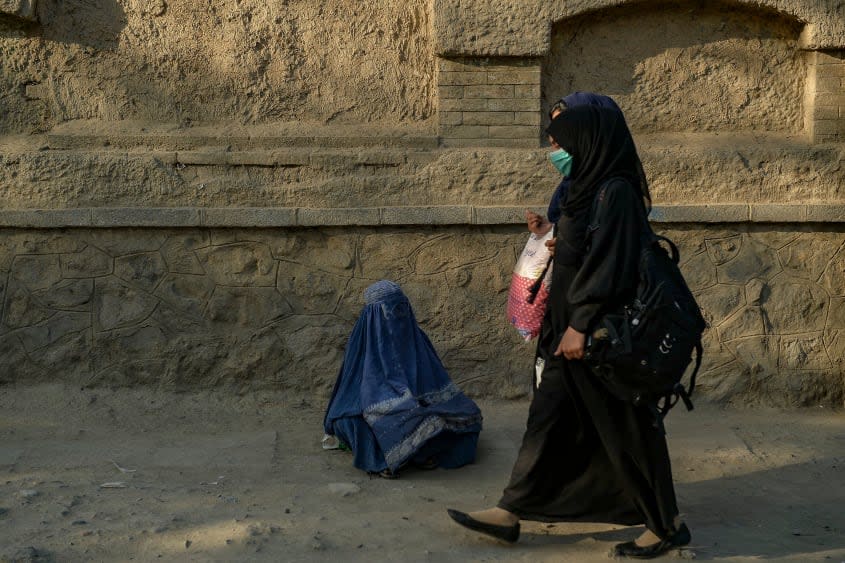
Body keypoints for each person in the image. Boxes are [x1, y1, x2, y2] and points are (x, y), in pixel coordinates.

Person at [447, 106, 691, 559]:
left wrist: (580, 326)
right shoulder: (586, 188)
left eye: (560, 144)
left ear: (588, 142)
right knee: (547, 418)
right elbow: (587, 245)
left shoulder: (616, 191)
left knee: (627, 427)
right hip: (568, 331)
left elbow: (613, 266)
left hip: (597, 335)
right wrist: (557, 237)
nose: (554, 152)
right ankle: (511, 510)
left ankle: (665, 525)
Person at [323, 280, 483, 479]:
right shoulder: (363, 341)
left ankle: (413, 451)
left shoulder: (416, 338)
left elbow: (434, 384)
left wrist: (412, 404)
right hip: (369, 408)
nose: (398, 317)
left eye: (401, 309)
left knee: (452, 417)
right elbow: (350, 392)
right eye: (389, 311)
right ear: (372, 315)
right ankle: (390, 459)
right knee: (348, 422)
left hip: (415, 407)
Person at [526, 92, 626, 238]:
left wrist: (567, 248)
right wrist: (549, 228)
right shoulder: (574, 185)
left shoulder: (615, 189)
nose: (558, 138)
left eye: (566, 129)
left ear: (592, 132)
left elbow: (612, 249)